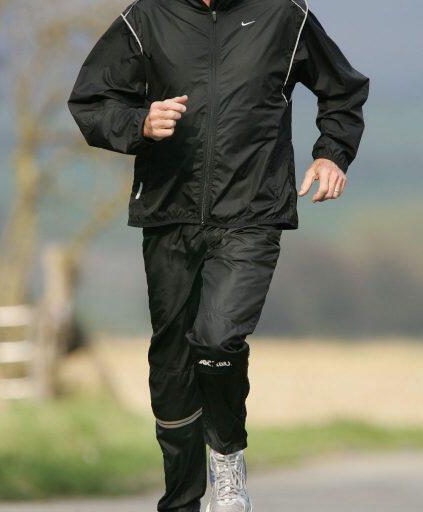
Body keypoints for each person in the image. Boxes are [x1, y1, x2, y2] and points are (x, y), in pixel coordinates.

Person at [68, 0, 369, 510]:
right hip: (169, 212)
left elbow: (343, 89)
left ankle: (227, 460)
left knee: (218, 337)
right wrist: (140, 122)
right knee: (172, 366)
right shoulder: (148, 17)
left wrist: (331, 153)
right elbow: (91, 101)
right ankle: (181, 500)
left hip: (252, 212)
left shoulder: (282, 14)